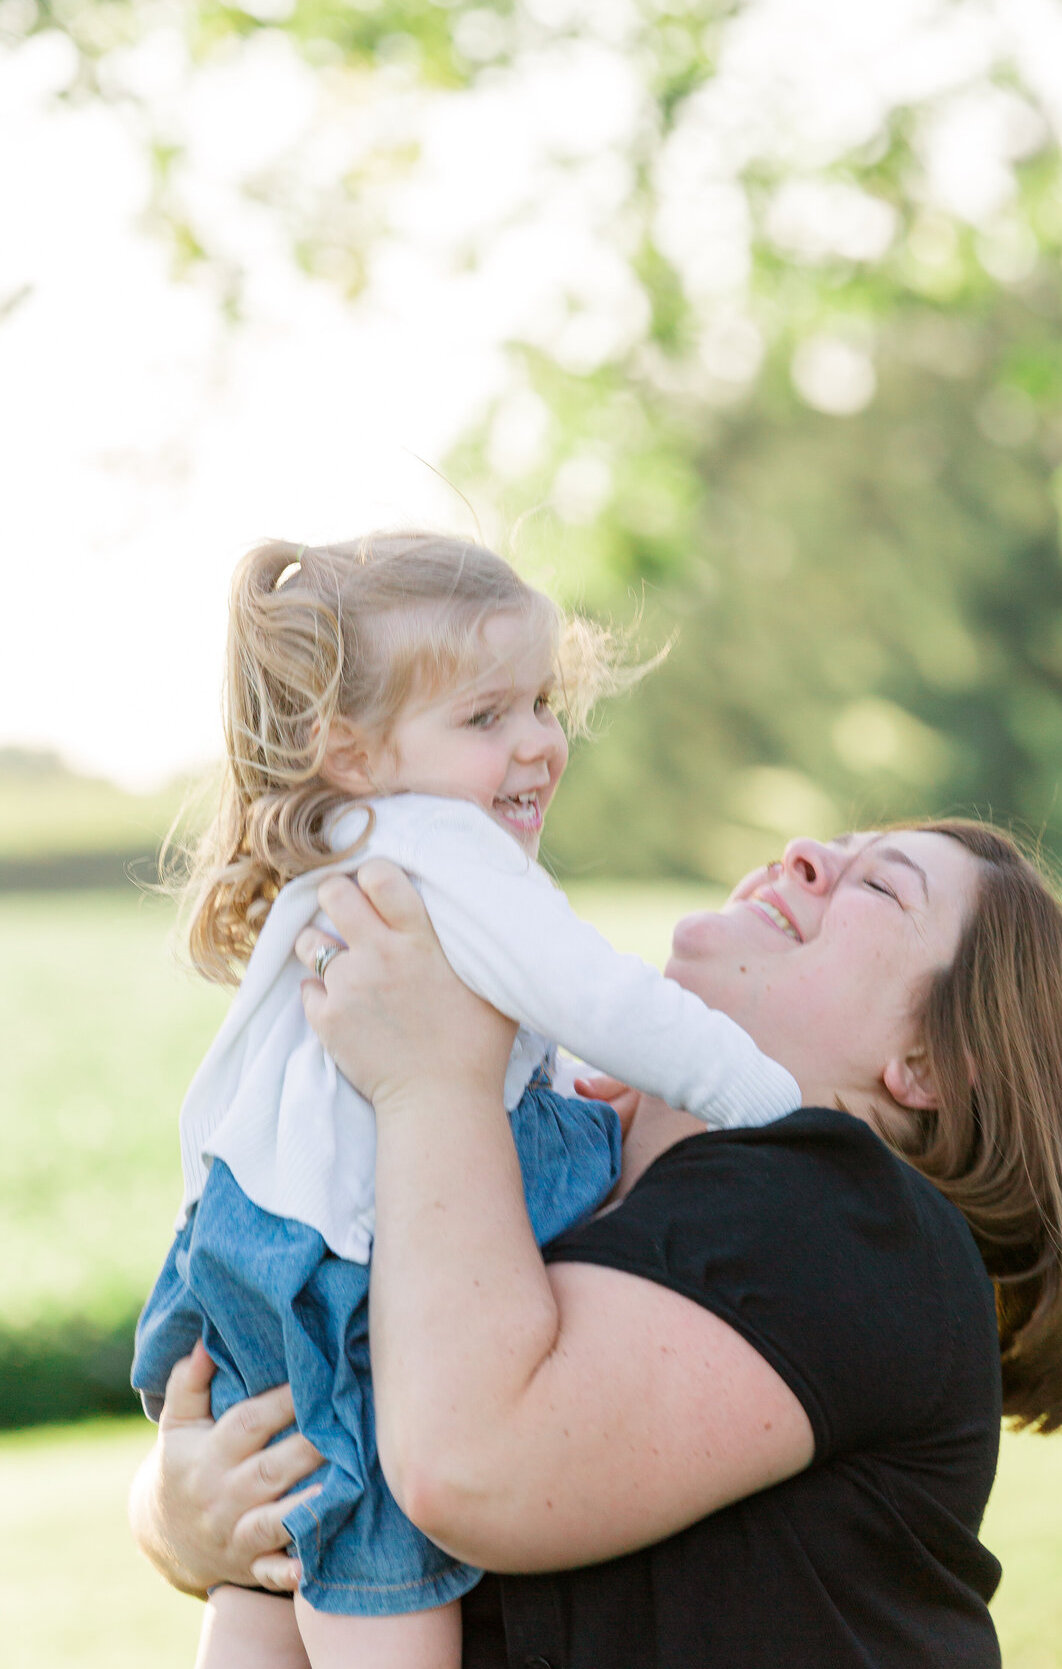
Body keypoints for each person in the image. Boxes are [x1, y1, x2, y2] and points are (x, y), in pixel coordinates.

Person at [131, 820, 1062, 1668]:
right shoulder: (541, 1167)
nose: (807, 851)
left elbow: (472, 1465)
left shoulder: (860, 1218)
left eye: (880, 886)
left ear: (933, 1064)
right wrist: (181, 1516)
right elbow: (287, 1384)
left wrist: (428, 1080)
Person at [132, 531, 806, 1669]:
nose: (540, 743)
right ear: (349, 748)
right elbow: (606, 1001)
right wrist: (774, 1106)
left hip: (252, 1240)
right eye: (486, 719)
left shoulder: (346, 840)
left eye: (541, 704)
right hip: (352, 1267)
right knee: (379, 1578)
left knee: (270, 1564)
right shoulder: (447, 846)